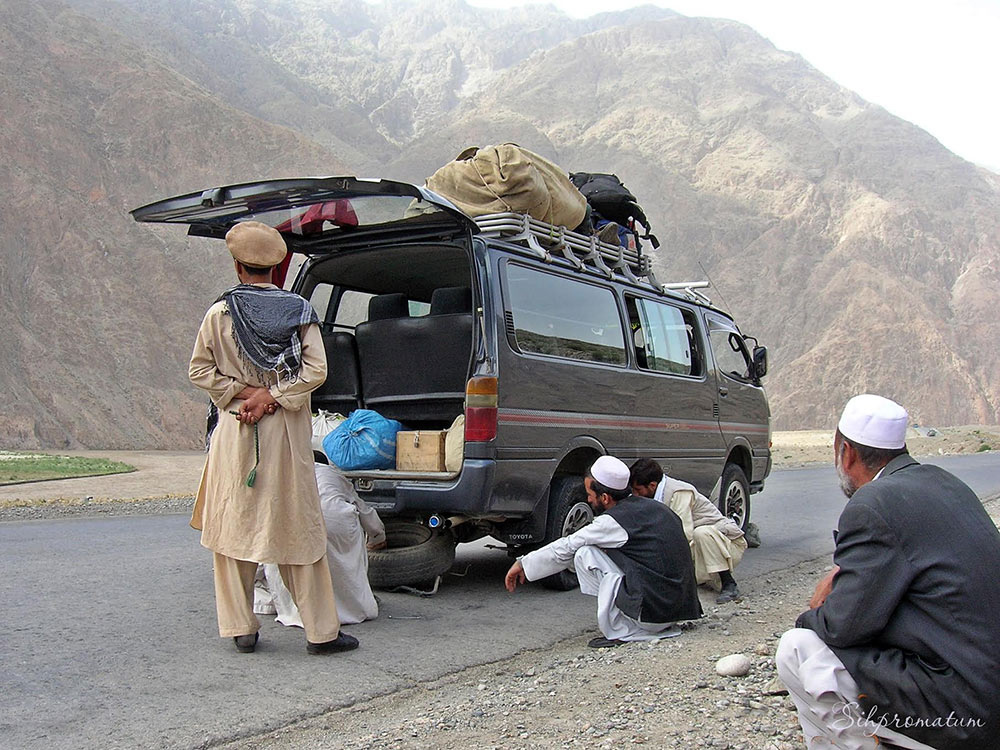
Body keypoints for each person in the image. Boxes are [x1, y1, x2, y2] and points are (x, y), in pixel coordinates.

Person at [776, 394, 1000, 750]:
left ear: (845, 453)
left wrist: (811, 615)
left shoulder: (871, 504)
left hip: (968, 714)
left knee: (798, 648)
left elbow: (842, 626)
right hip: (984, 684)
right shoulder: (943, 482)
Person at [188, 220, 357, 655]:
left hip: (235, 431)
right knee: (297, 524)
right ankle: (322, 633)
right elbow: (316, 371)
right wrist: (270, 395)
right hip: (283, 434)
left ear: (238, 266)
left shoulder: (219, 314)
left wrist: (244, 395)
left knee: (234, 525)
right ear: (277, 266)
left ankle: (242, 629)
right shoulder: (298, 311)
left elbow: (200, 371)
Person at [504, 455, 702, 648]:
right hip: (677, 611)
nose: (589, 500)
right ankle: (631, 620)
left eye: (590, 495)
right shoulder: (657, 508)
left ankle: (619, 629)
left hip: (652, 616)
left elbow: (567, 546)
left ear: (605, 497)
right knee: (604, 551)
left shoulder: (613, 521)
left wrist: (523, 563)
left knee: (584, 553)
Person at [255, 452, 386, 626]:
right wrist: (377, 537)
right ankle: (350, 606)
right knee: (342, 554)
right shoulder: (333, 475)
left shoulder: (284, 471)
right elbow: (365, 512)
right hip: (335, 523)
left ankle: (297, 610)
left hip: (291, 524)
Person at [629, 458, 746, 603]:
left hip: (727, 544)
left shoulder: (678, 492)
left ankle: (728, 583)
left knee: (701, 533)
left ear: (652, 485)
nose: (635, 495)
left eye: (638, 490)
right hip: (700, 548)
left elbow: (683, 533)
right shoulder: (652, 497)